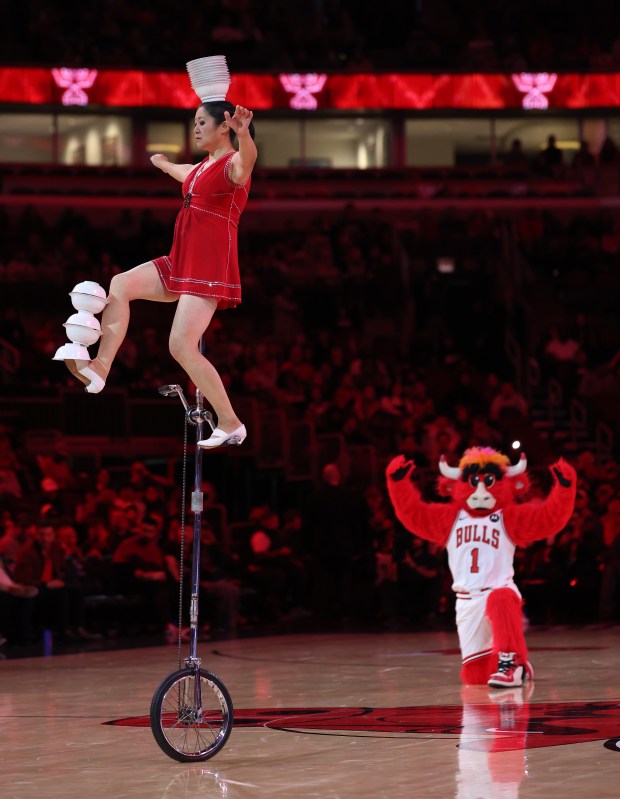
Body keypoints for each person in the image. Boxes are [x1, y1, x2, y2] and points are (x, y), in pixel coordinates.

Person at [64, 101, 257, 450]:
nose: (195, 128)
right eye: (194, 122)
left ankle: (231, 423)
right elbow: (184, 172)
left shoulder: (232, 166)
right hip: (180, 261)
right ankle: (101, 367)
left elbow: (246, 164)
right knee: (120, 285)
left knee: (180, 345)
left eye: (202, 122)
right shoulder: (203, 168)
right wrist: (163, 164)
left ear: (224, 127)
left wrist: (244, 136)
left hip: (207, 268)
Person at [386, 447, 576, 687]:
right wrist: (398, 483)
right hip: (467, 601)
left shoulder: (508, 516)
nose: (481, 491)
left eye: (489, 482)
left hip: (499, 592)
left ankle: (511, 664)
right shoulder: (450, 518)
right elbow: (414, 515)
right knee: (475, 677)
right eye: (474, 482)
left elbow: (549, 519)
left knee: (501, 597)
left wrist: (565, 488)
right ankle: (521, 666)